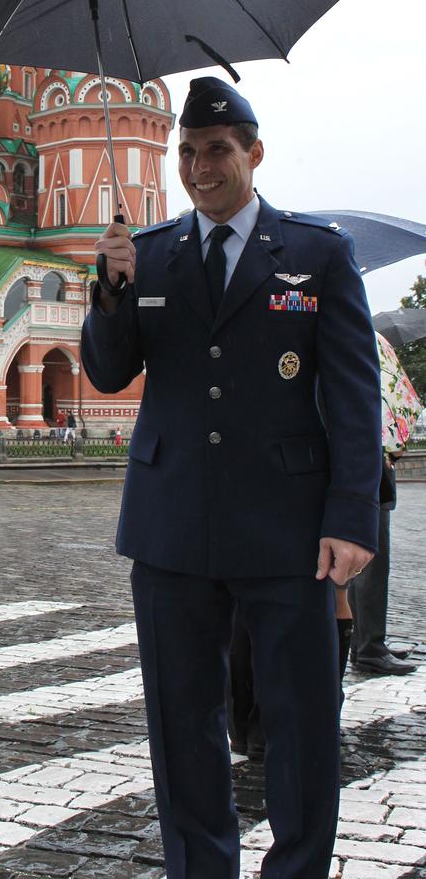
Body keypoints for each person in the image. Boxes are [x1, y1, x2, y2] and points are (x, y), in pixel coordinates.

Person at [82, 76, 381, 879]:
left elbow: (354, 393)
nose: (198, 166)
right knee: (181, 725)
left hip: (287, 530)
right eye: (185, 152)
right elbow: (108, 376)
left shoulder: (314, 253)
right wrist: (107, 292)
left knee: (300, 722)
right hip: (171, 523)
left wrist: (352, 517)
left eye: (216, 150)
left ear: (253, 152)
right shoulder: (145, 256)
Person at [349, 332, 422, 675]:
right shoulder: (362, 341)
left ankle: (363, 641)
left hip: (368, 463)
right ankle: (369, 646)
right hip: (368, 465)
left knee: (362, 565)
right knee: (371, 562)